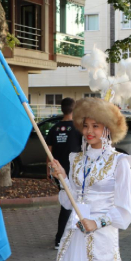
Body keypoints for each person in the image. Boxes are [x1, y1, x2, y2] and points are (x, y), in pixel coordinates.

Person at [49, 97, 131, 261]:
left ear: (108, 128)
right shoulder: (76, 159)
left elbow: (125, 210)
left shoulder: (119, 161)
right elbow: (69, 202)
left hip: (102, 236)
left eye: (96, 126)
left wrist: (97, 222)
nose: (89, 131)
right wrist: (63, 178)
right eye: (86, 125)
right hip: (75, 233)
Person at [46, 97, 83, 249]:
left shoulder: (54, 128)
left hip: (58, 172)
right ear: (74, 110)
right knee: (68, 205)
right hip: (73, 172)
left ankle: (67, 235)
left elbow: (49, 150)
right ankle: (60, 238)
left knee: (70, 203)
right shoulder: (79, 129)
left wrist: (48, 170)